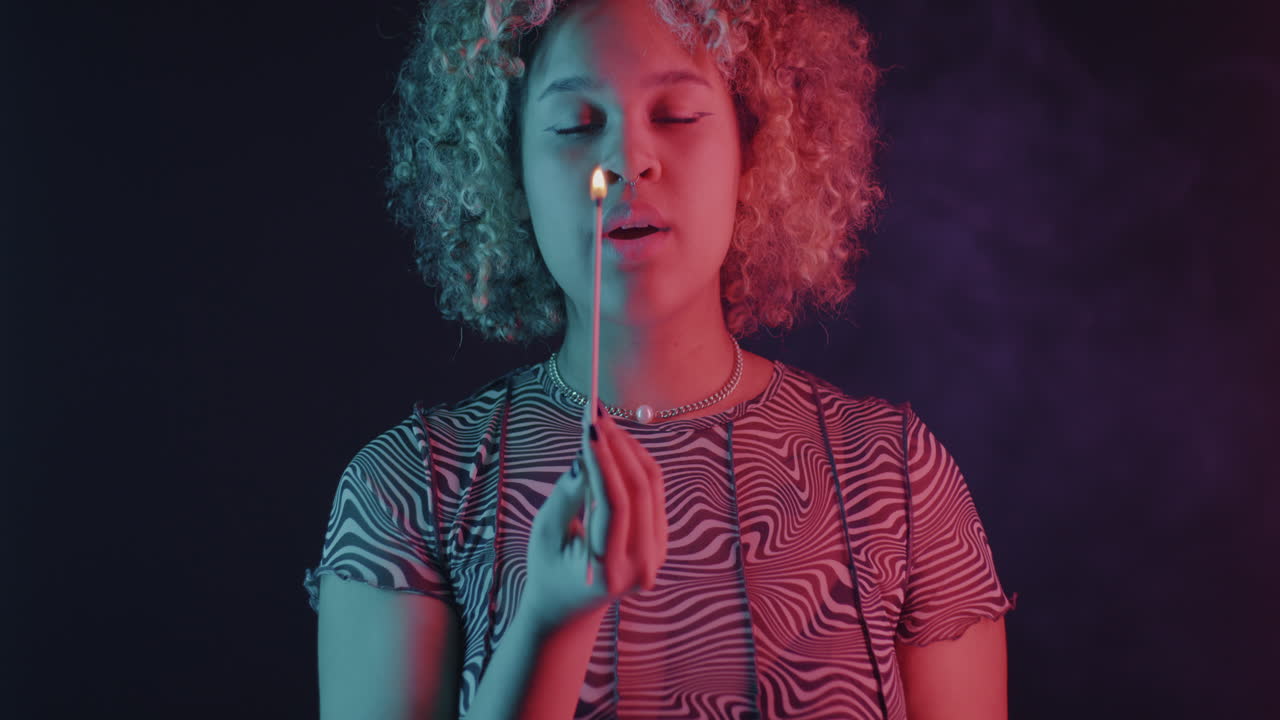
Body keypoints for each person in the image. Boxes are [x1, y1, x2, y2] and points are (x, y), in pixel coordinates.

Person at [303, 0, 1017, 717]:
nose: (627, 162)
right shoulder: (406, 494)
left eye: (676, 115)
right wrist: (552, 622)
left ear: (757, 148)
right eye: (576, 126)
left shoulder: (897, 483)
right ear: (508, 171)